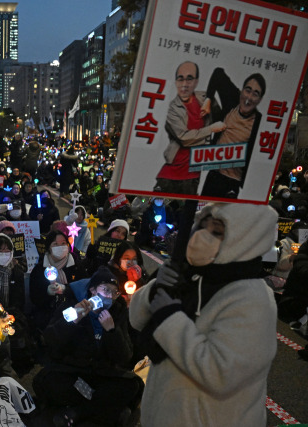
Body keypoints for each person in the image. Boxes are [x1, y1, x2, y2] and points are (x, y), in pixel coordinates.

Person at [129, 203, 278, 426]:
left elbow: (221, 374)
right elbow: (136, 319)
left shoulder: (253, 298)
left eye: (216, 231)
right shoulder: (188, 273)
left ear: (244, 239)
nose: (202, 236)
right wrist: (154, 289)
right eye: (201, 226)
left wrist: (170, 318)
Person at [33, 267, 143, 426]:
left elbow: (125, 356)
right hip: (74, 373)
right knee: (47, 381)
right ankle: (108, 412)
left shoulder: (117, 311)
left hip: (102, 375)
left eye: (114, 293)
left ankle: (76, 412)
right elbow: (50, 340)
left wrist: (112, 331)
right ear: (92, 290)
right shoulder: (73, 305)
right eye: (105, 290)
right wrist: (73, 321)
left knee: (132, 385)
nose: (109, 297)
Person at [154, 61, 225, 195]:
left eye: (189, 79)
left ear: (196, 81)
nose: (185, 84)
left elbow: (222, 120)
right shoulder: (171, 108)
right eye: (180, 79)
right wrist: (211, 129)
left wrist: (210, 100)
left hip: (194, 176)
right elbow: (184, 138)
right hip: (169, 175)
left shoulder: (205, 98)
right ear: (176, 82)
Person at [201, 69, 266, 198]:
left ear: (260, 100)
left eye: (255, 94)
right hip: (214, 175)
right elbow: (218, 73)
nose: (249, 97)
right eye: (247, 90)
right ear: (241, 90)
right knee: (201, 214)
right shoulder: (232, 101)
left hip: (233, 183)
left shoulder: (260, 123)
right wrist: (208, 99)